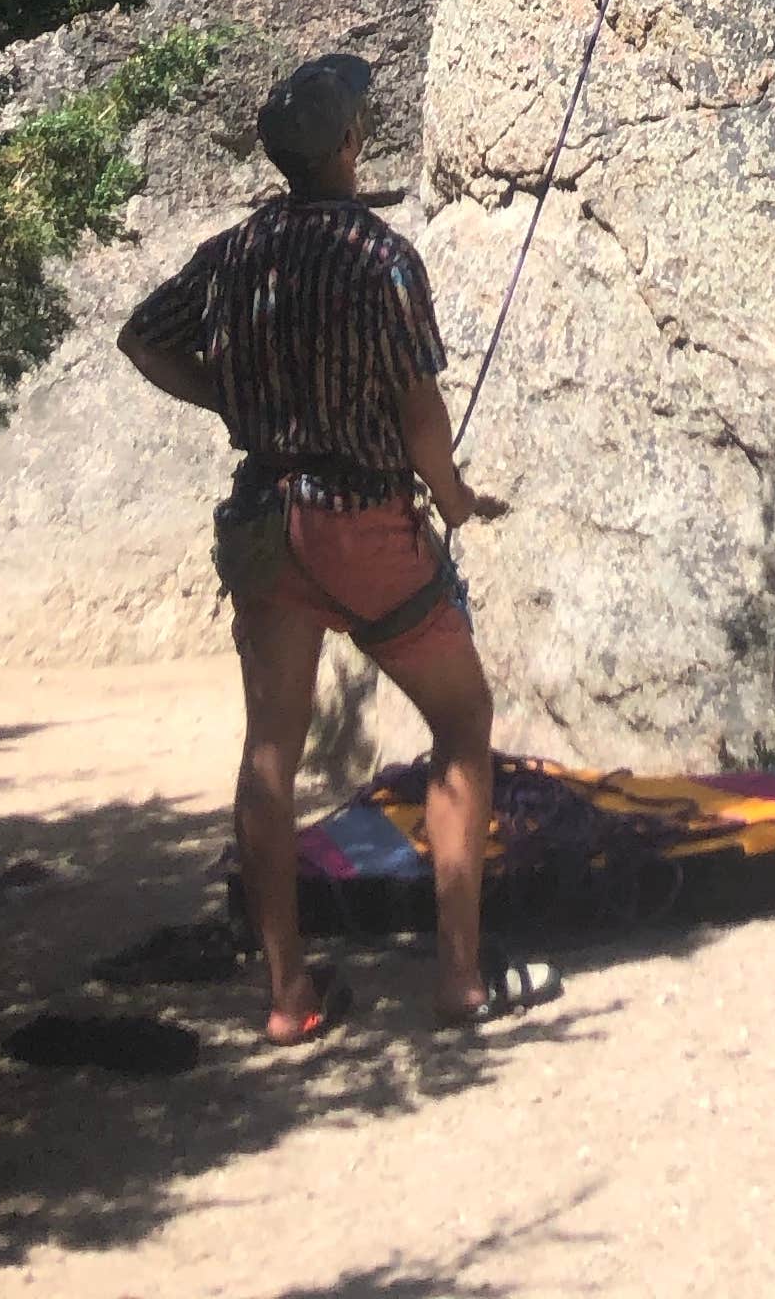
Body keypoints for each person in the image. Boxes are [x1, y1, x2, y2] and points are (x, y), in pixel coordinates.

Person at [117, 51, 556, 1041]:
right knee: (460, 722)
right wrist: (452, 499)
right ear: (353, 146)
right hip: (363, 525)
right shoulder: (381, 258)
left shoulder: (235, 252)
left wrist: (228, 395)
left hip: (267, 523)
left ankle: (287, 998)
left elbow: (144, 338)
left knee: (269, 755)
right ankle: (456, 980)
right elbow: (417, 408)